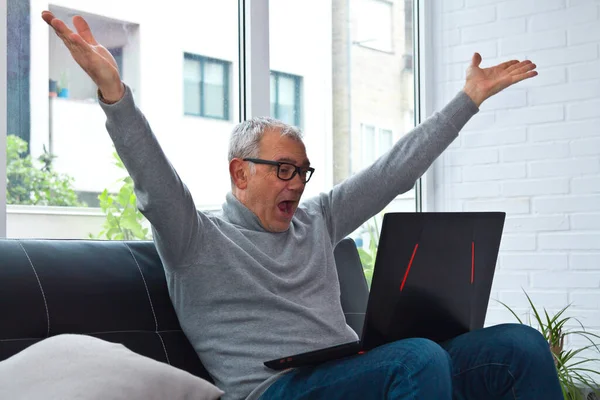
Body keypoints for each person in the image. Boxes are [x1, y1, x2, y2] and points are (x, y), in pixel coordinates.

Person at [41, 10, 563, 400]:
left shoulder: (318, 221)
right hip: (275, 390)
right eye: (282, 170)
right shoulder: (195, 237)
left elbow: (396, 170)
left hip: (350, 372)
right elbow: (152, 177)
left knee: (519, 346)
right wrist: (115, 95)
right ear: (239, 172)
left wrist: (466, 100)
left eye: (302, 171)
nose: (296, 184)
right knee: (416, 360)